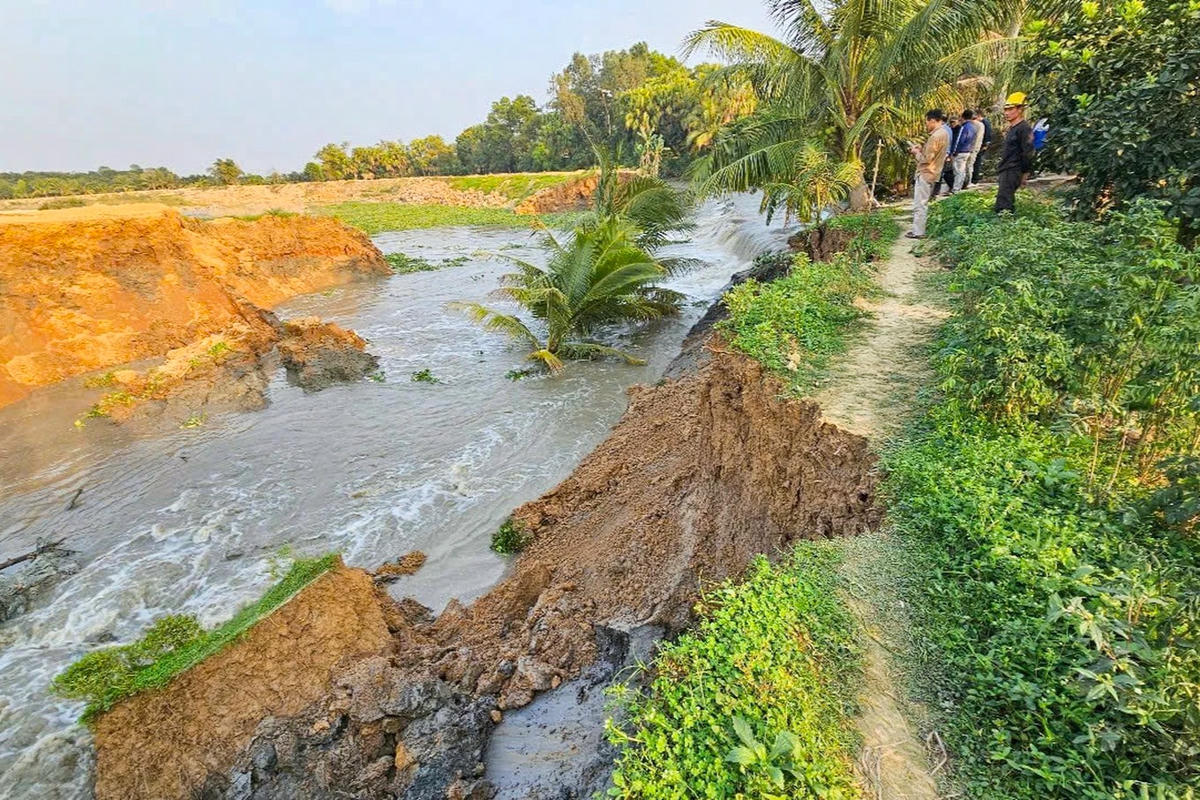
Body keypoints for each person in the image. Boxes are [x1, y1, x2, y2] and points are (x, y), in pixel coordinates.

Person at [907, 109, 951, 239]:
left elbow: (926, 159)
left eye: (927, 121)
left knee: (920, 204)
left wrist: (916, 153)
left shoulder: (936, 136)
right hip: (933, 173)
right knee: (922, 203)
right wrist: (922, 149)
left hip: (926, 173)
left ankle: (918, 232)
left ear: (932, 120)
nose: (926, 124)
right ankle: (918, 230)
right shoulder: (944, 133)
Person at [994, 92, 1034, 214]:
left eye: (1010, 109)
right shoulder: (1013, 128)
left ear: (1020, 109)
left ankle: (1004, 227)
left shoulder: (1024, 128)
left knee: (1004, 204)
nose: (1007, 113)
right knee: (1003, 200)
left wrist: (1025, 173)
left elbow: (1028, 152)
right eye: (1006, 109)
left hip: (1013, 170)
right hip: (1006, 169)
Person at [932, 115, 960, 197]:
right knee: (942, 172)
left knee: (938, 173)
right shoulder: (948, 129)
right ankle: (936, 191)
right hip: (946, 153)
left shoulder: (942, 130)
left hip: (941, 153)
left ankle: (935, 192)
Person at [952, 109, 979, 192]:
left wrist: (954, 152)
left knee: (958, 171)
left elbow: (960, 140)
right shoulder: (974, 127)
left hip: (960, 151)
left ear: (963, 117)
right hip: (968, 151)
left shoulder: (964, 127)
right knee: (962, 170)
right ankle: (961, 186)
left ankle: (956, 189)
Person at [972, 113, 994, 185]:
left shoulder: (984, 123)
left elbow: (987, 134)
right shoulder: (983, 123)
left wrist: (985, 145)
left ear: (979, 116)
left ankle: (975, 178)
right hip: (981, 144)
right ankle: (974, 177)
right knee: (976, 161)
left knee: (977, 161)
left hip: (981, 145)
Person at [967, 109, 986, 187]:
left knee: (969, 165)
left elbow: (974, 137)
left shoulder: (974, 124)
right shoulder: (980, 124)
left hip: (972, 148)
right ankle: (969, 181)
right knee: (971, 165)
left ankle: (969, 182)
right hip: (976, 147)